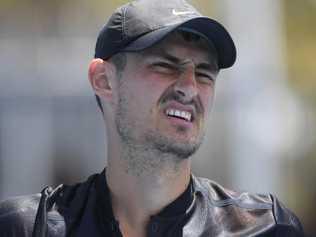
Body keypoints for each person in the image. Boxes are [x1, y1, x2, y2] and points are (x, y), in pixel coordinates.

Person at [0, 0, 305, 236]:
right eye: (164, 65)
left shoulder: (267, 227)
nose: (190, 87)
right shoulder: (28, 227)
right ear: (104, 80)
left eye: (204, 73)